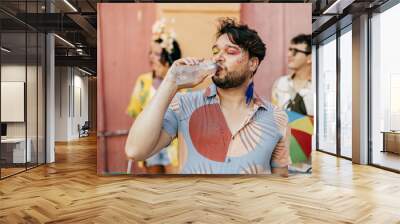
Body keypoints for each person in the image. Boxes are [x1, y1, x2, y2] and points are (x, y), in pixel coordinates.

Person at [125, 18, 289, 176]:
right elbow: (135, 151)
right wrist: (171, 82)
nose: (218, 57)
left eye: (230, 51)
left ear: (253, 63)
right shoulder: (184, 104)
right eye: (215, 51)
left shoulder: (276, 117)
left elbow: (279, 182)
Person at [126, 19, 181, 174]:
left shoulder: (180, 82)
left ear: (167, 56)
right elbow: (135, 113)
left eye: (156, 53)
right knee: (154, 185)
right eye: (150, 52)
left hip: (174, 143)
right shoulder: (143, 82)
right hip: (151, 142)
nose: (151, 57)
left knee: (174, 185)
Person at [271, 34, 313, 173]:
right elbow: (274, 119)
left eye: (295, 51)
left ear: (310, 57)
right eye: (289, 50)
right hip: (284, 160)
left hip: (310, 161)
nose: (289, 54)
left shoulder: (318, 86)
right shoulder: (280, 83)